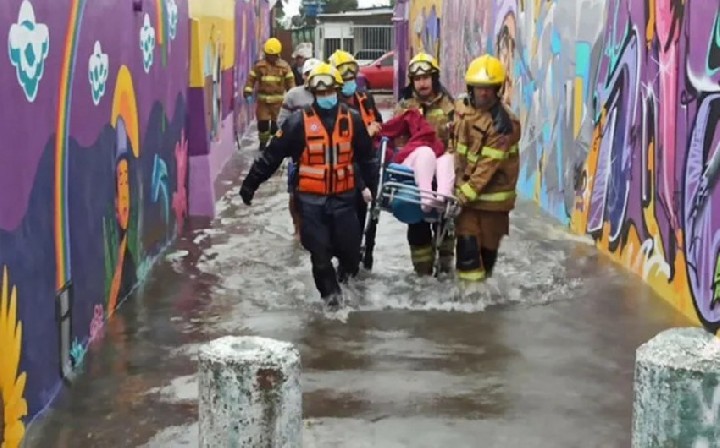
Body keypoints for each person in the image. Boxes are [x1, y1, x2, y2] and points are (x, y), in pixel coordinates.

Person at [239, 63, 376, 308]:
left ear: (337, 90)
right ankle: (332, 306)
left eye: (329, 91)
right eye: (320, 92)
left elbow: (368, 159)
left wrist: (374, 191)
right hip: (312, 204)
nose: (325, 96)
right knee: (320, 257)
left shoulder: (353, 120)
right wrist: (250, 185)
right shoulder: (297, 123)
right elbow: (271, 156)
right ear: (313, 93)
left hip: (345, 201)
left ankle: (348, 290)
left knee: (351, 256)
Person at [452, 54, 521, 284]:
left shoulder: (504, 125)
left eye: (489, 88)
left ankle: (482, 299)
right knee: (467, 254)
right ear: (470, 87)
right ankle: (469, 300)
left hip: (492, 204)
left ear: (497, 89)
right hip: (467, 202)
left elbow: (486, 168)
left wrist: (461, 196)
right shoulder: (462, 108)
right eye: (479, 87)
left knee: (486, 259)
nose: (484, 93)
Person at [393, 52, 456, 276]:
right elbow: (397, 144)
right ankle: (423, 278)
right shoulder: (404, 107)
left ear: (434, 78)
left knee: (447, 228)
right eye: (417, 79)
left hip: (444, 175)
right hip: (415, 178)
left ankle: (445, 270)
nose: (422, 83)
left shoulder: (450, 106)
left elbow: (458, 142)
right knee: (417, 227)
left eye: (426, 77)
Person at [328, 49, 384, 229]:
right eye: (344, 78)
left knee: (369, 217)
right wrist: (365, 133)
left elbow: (378, 121)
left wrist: (376, 128)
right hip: (344, 172)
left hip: (368, 166)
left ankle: (367, 245)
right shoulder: (330, 106)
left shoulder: (365, 98)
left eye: (351, 76)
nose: (349, 81)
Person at [277, 57, 322, 240]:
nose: (311, 77)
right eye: (307, 74)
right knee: (294, 192)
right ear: (303, 75)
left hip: (322, 153)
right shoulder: (293, 95)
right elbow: (282, 122)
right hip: (298, 154)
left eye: (315, 74)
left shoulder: (328, 94)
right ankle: (297, 228)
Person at [243, 37, 295, 151]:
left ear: (278, 54)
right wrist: (248, 90)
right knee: (263, 125)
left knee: (276, 126)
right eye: (269, 55)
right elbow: (251, 79)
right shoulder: (259, 66)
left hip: (278, 102)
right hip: (263, 102)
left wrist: (293, 96)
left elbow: (290, 82)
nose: (271, 57)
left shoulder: (284, 67)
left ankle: (275, 145)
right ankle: (263, 144)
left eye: (273, 55)